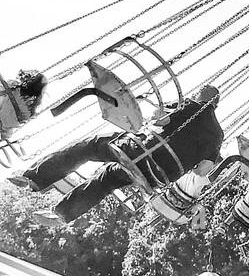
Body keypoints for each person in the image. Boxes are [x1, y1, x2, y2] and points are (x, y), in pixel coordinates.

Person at [12, 85, 224, 224]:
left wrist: (157, 115)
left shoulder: (187, 104)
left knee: (89, 146)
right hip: (156, 177)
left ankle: (34, 179)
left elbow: (159, 120)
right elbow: (202, 170)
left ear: (199, 96)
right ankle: (62, 214)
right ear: (215, 105)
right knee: (107, 178)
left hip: (137, 151)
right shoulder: (217, 135)